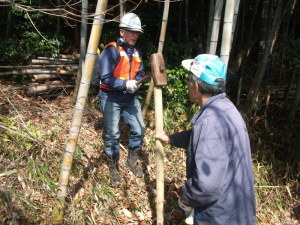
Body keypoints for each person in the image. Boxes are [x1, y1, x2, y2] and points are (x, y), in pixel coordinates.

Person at [156, 54, 256, 225]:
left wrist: (186, 197)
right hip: (237, 209)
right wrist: (170, 139)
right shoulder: (225, 109)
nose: (188, 84)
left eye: (189, 80)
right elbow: (200, 138)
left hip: (220, 217)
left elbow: (206, 186)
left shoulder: (211, 121)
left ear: (196, 86)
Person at [98, 13, 146, 187]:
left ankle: (131, 161)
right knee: (112, 134)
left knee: (140, 129)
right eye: (131, 31)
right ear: (122, 31)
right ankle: (113, 168)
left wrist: (137, 82)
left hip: (130, 97)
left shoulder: (137, 51)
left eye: (137, 32)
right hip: (111, 97)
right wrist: (125, 84)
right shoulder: (111, 50)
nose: (135, 35)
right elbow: (105, 78)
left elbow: (141, 72)